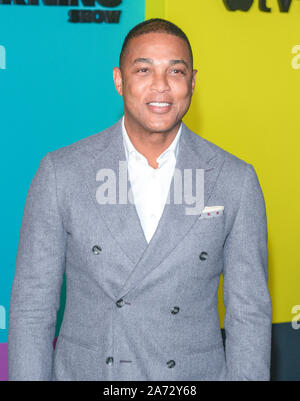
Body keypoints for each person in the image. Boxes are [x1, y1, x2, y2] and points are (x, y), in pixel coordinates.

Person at [8, 18, 272, 381]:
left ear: (192, 82)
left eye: (175, 71)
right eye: (144, 69)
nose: (161, 86)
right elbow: (33, 311)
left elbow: (250, 315)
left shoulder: (234, 180)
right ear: (119, 80)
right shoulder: (61, 173)